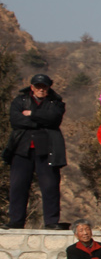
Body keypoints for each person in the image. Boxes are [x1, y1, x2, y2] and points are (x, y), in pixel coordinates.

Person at [5, 73, 65, 229]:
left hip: (47, 150)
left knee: (50, 186)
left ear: (48, 87)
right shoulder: (20, 100)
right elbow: (15, 120)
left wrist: (32, 114)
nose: (41, 89)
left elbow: (54, 119)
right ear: (32, 87)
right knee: (18, 185)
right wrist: (41, 122)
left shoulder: (56, 102)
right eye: (38, 86)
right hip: (21, 149)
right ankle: (16, 221)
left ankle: (51, 222)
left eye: (44, 86)